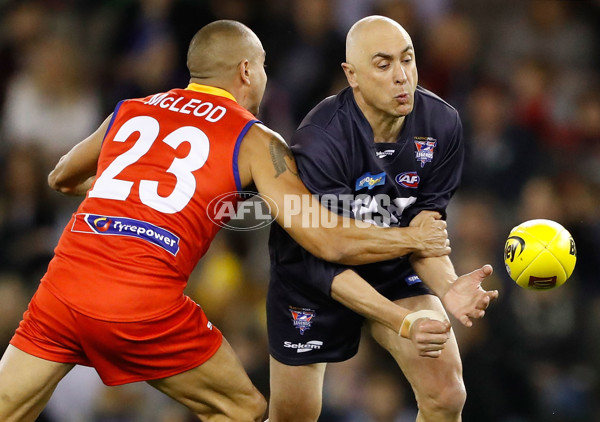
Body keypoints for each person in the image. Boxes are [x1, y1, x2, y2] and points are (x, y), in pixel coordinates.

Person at [0, 20, 453, 422]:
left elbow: (61, 177)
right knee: (243, 408)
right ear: (246, 72)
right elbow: (326, 240)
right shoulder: (255, 138)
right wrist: (409, 237)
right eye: (263, 71)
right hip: (141, 300)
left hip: (62, 287)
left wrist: (135, 184)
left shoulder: (133, 108)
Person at [267, 16, 499, 422]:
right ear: (351, 75)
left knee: (447, 396)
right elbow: (330, 252)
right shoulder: (320, 139)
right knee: (294, 416)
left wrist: (449, 287)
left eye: (407, 60)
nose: (401, 77)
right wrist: (403, 320)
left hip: (391, 270)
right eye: (383, 64)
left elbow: (426, 233)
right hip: (313, 278)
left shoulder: (442, 123)